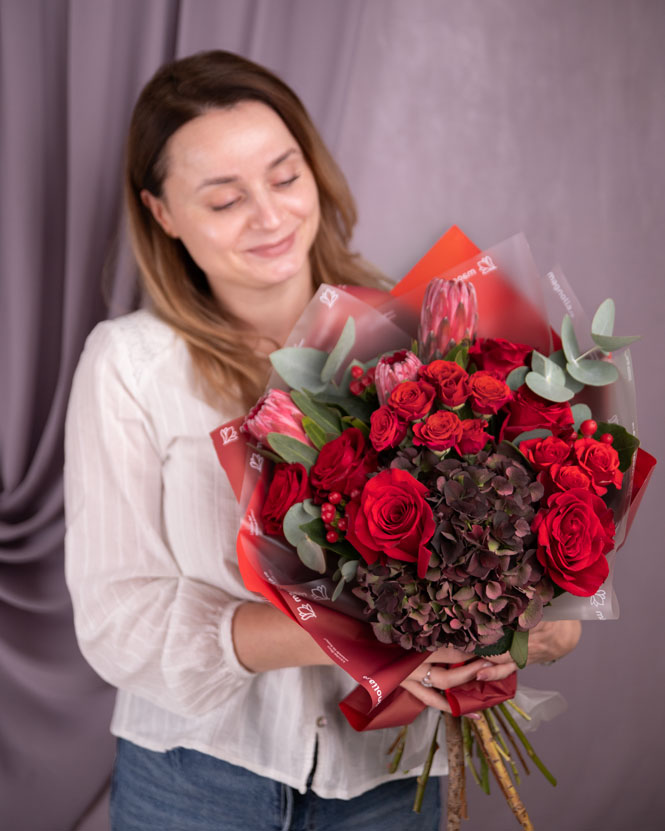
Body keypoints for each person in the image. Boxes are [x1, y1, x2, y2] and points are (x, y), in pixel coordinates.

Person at [64, 50, 580, 831]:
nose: (269, 216)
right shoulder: (131, 363)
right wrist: (360, 637)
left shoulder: (424, 337)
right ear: (162, 213)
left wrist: (508, 631)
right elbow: (118, 620)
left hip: (388, 784)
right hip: (194, 783)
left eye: (283, 175)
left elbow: (553, 611)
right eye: (223, 198)